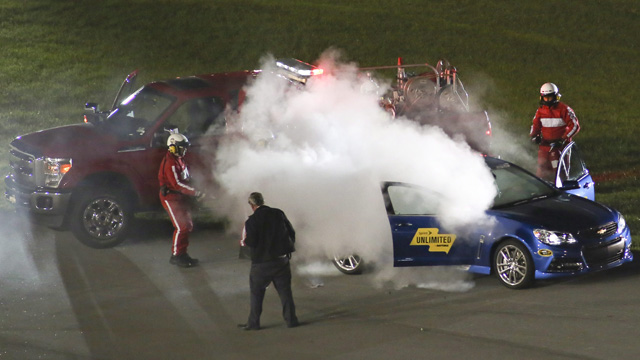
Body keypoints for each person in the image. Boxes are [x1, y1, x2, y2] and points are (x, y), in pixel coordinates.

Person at [238, 192, 299, 330]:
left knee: (256, 294)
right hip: (281, 261)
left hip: (261, 264)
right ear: (263, 201)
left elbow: (251, 241)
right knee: (285, 293)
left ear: (252, 205)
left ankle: (254, 323)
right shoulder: (278, 213)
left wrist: (245, 241)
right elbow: (291, 232)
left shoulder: (251, 221)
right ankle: (291, 320)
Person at [158, 129, 204, 268]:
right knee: (181, 227)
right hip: (171, 198)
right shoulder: (171, 163)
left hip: (179, 197)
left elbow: (185, 178)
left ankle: (182, 253)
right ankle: (177, 256)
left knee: (187, 225)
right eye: (182, 147)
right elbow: (177, 184)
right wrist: (196, 192)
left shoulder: (178, 159)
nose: (185, 150)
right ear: (173, 147)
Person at [529, 82, 580, 180]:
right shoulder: (540, 111)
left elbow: (574, 125)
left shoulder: (564, 109)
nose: (547, 100)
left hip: (560, 147)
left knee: (560, 172)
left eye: (550, 98)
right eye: (545, 98)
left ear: (556, 96)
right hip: (545, 146)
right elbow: (535, 125)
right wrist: (534, 136)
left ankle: (563, 191)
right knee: (541, 171)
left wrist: (563, 139)